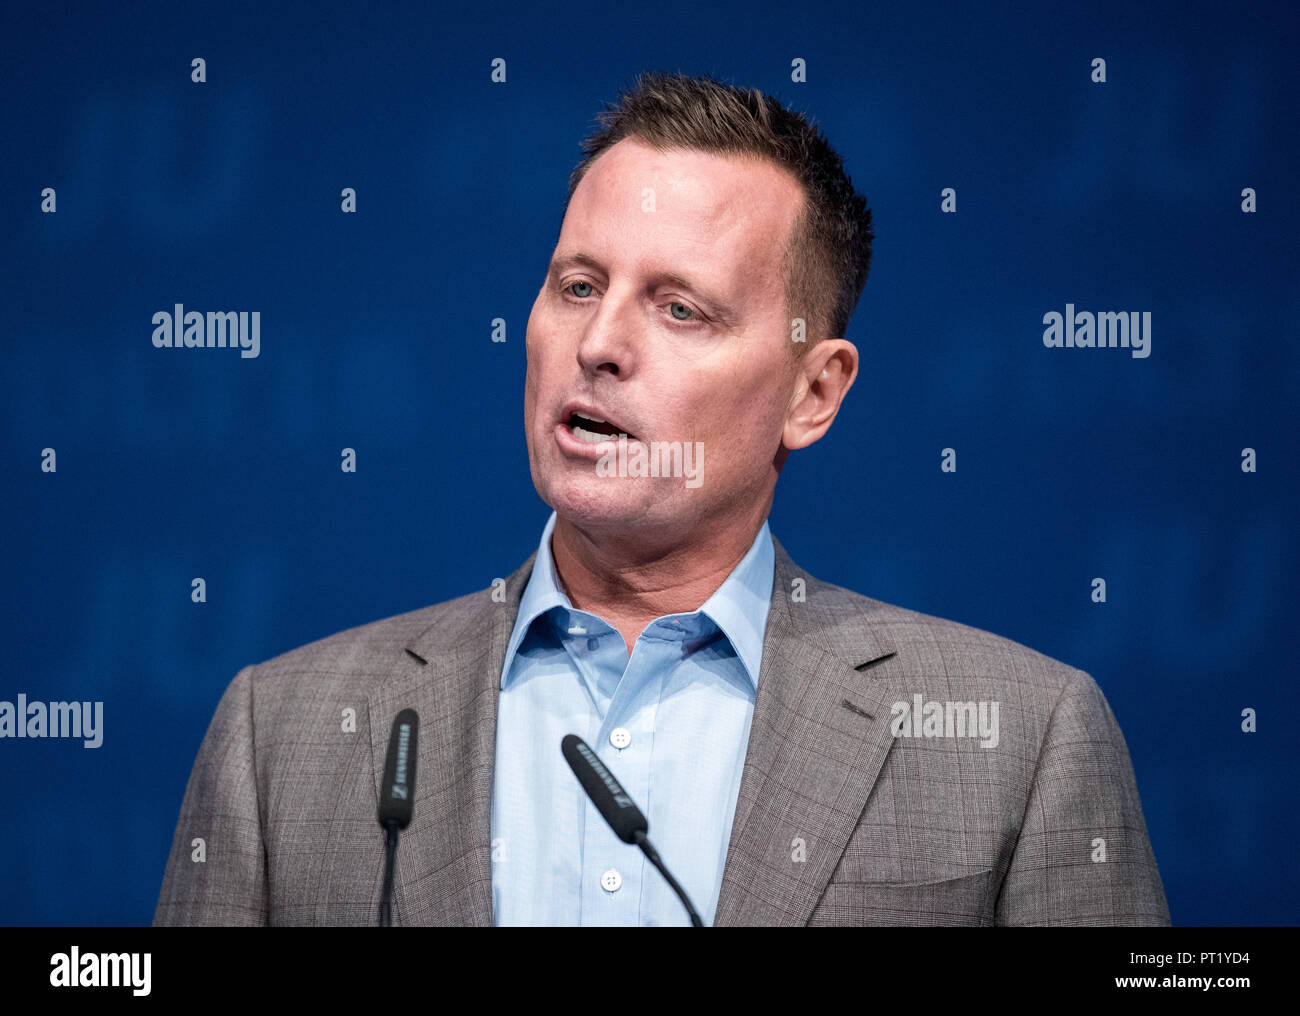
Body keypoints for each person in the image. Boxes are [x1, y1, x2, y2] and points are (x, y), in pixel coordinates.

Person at [155, 71, 1170, 926]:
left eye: (679, 308)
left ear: (812, 392)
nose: (599, 344)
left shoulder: (1022, 739)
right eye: (579, 285)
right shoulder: (278, 737)